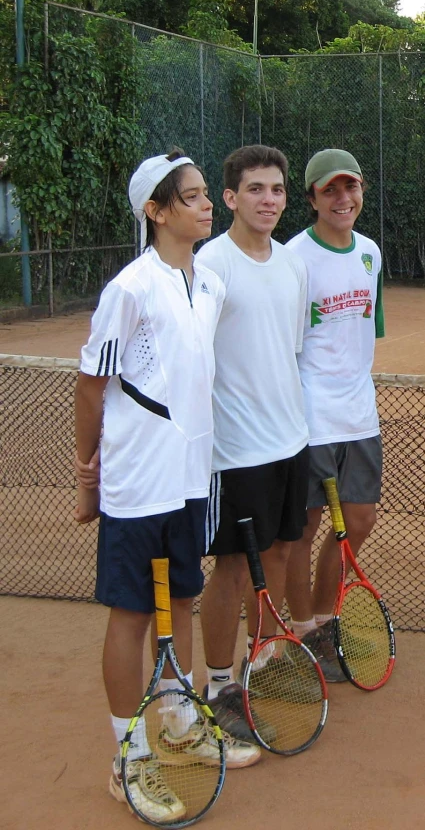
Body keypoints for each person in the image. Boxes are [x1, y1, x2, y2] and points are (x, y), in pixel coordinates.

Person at [74, 149, 260, 821]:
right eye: (191, 196)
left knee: (180, 596)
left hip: (190, 476)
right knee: (131, 615)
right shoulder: (130, 288)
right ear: (155, 212)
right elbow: (91, 387)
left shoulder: (206, 285)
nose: (206, 204)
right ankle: (127, 760)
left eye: (207, 193)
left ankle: (181, 725)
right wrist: (87, 474)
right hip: (134, 481)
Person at [194, 144, 310, 740]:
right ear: (232, 198)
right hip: (235, 452)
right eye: (257, 190)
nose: (269, 200)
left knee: (285, 553)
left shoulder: (292, 264)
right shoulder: (210, 265)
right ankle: (217, 686)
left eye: (277, 190)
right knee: (235, 570)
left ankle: (262, 659)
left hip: (291, 438)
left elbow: (289, 349)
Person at [284, 148, 385, 683]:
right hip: (309, 416)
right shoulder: (292, 257)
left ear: (361, 190)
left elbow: (366, 331)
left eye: (351, 187)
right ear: (313, 199)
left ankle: (326, 622)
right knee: (303, 529)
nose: (343, 198)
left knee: (360, 521)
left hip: (360, 415)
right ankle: (300, 633)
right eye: (330, 190)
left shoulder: (370, 253)